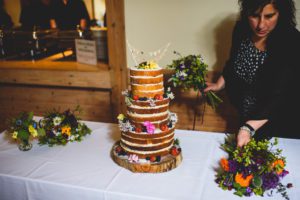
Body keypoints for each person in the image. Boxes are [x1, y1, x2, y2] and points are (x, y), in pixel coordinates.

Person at [204, 0, 300, 147]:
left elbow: (280, 94)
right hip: (247, 117)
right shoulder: (241, 29)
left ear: (281, 13)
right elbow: (233, 62)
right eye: (255, 15)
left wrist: (249, 127)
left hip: (280, 120)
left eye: (269, 16)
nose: (260, 25)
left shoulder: (291, 41)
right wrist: (219, 84)